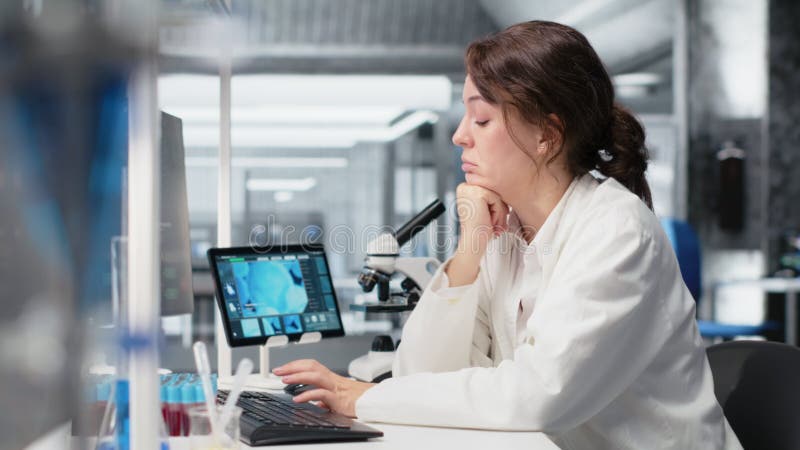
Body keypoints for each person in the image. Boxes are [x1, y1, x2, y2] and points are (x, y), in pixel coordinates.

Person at [272, 21, 743, 449]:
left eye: (480, 120)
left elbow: (539, 395)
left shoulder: (615, 230)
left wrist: (365, 399)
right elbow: (424, 374)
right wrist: (470, 246)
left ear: (547, 135)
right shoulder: (506, 232)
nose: (460, 136)